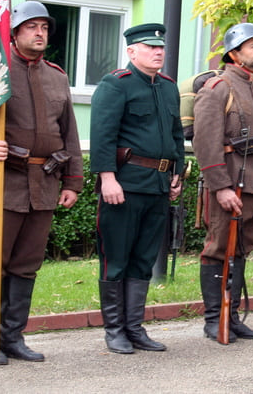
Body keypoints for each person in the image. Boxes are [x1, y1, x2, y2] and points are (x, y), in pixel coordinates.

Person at [0, 0, 84, 364]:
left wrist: (73, 181)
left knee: (26, 264)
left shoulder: (57, 76)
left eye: (45, 28)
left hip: (44, 184)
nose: (40, 33)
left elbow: (68, 133)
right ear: (15, 32)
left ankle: (12, 336)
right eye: (31, 27)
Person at [90, 23, 184, 354]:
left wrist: (177, 173)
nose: (158, 52)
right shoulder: (116, 85)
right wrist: (107, 178)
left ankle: (134, 327)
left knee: (144, 259)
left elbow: (176, 136)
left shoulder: (169, 87)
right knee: (116, 258)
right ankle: (114, 330)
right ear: (132, 52)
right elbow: (103, 135)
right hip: (124, 184)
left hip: (157, 185)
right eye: (150, 47)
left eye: (160, 48)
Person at [193, 23, 253, 343]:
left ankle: (231, 317)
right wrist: (221, 186)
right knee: (219, 249)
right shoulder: (218, 88)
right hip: (230, 184)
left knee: (242, 249)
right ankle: (214, 318)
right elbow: (206, 142)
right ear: (234, 53)